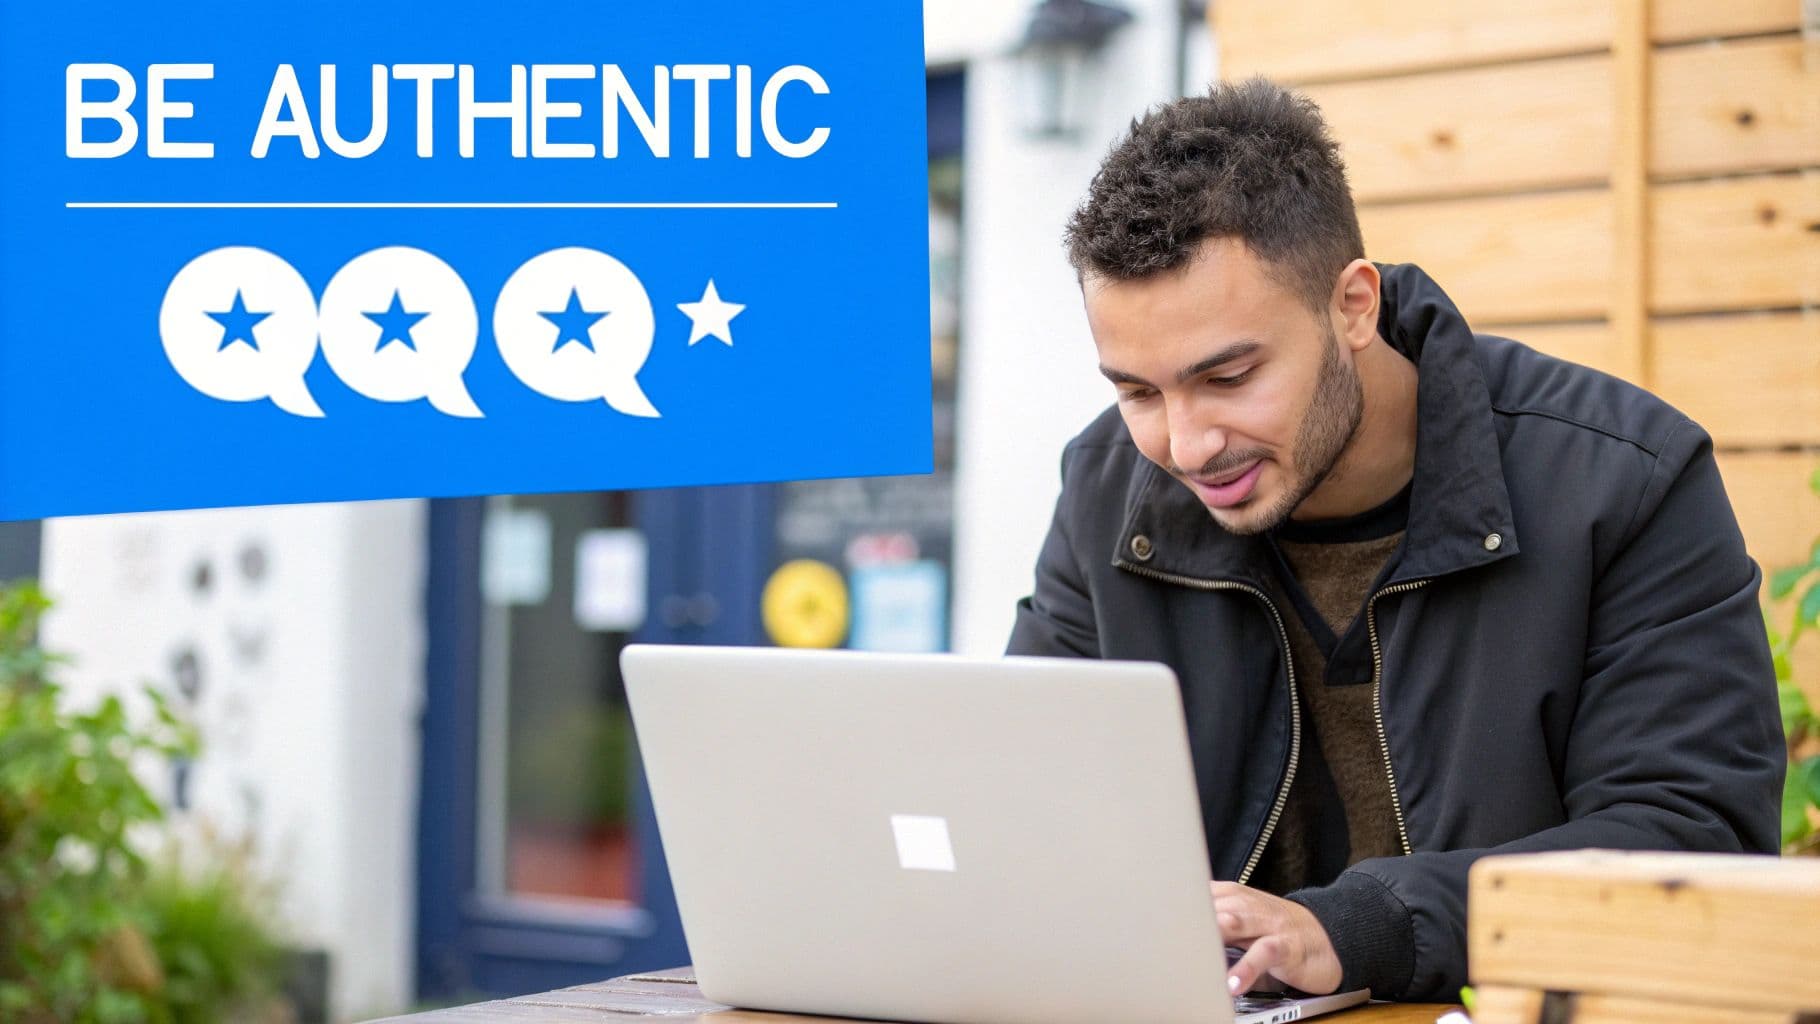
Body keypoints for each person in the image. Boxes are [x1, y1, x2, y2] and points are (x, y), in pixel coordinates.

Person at [1005, 77, 1783, 1003]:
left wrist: (1363, 927)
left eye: (1230, 377)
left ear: (1353, 306)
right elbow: (1021, 803)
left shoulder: (1624, 480)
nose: (1186, 445)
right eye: (1138, 391)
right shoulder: (1108, 488)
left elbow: (1694, 841)